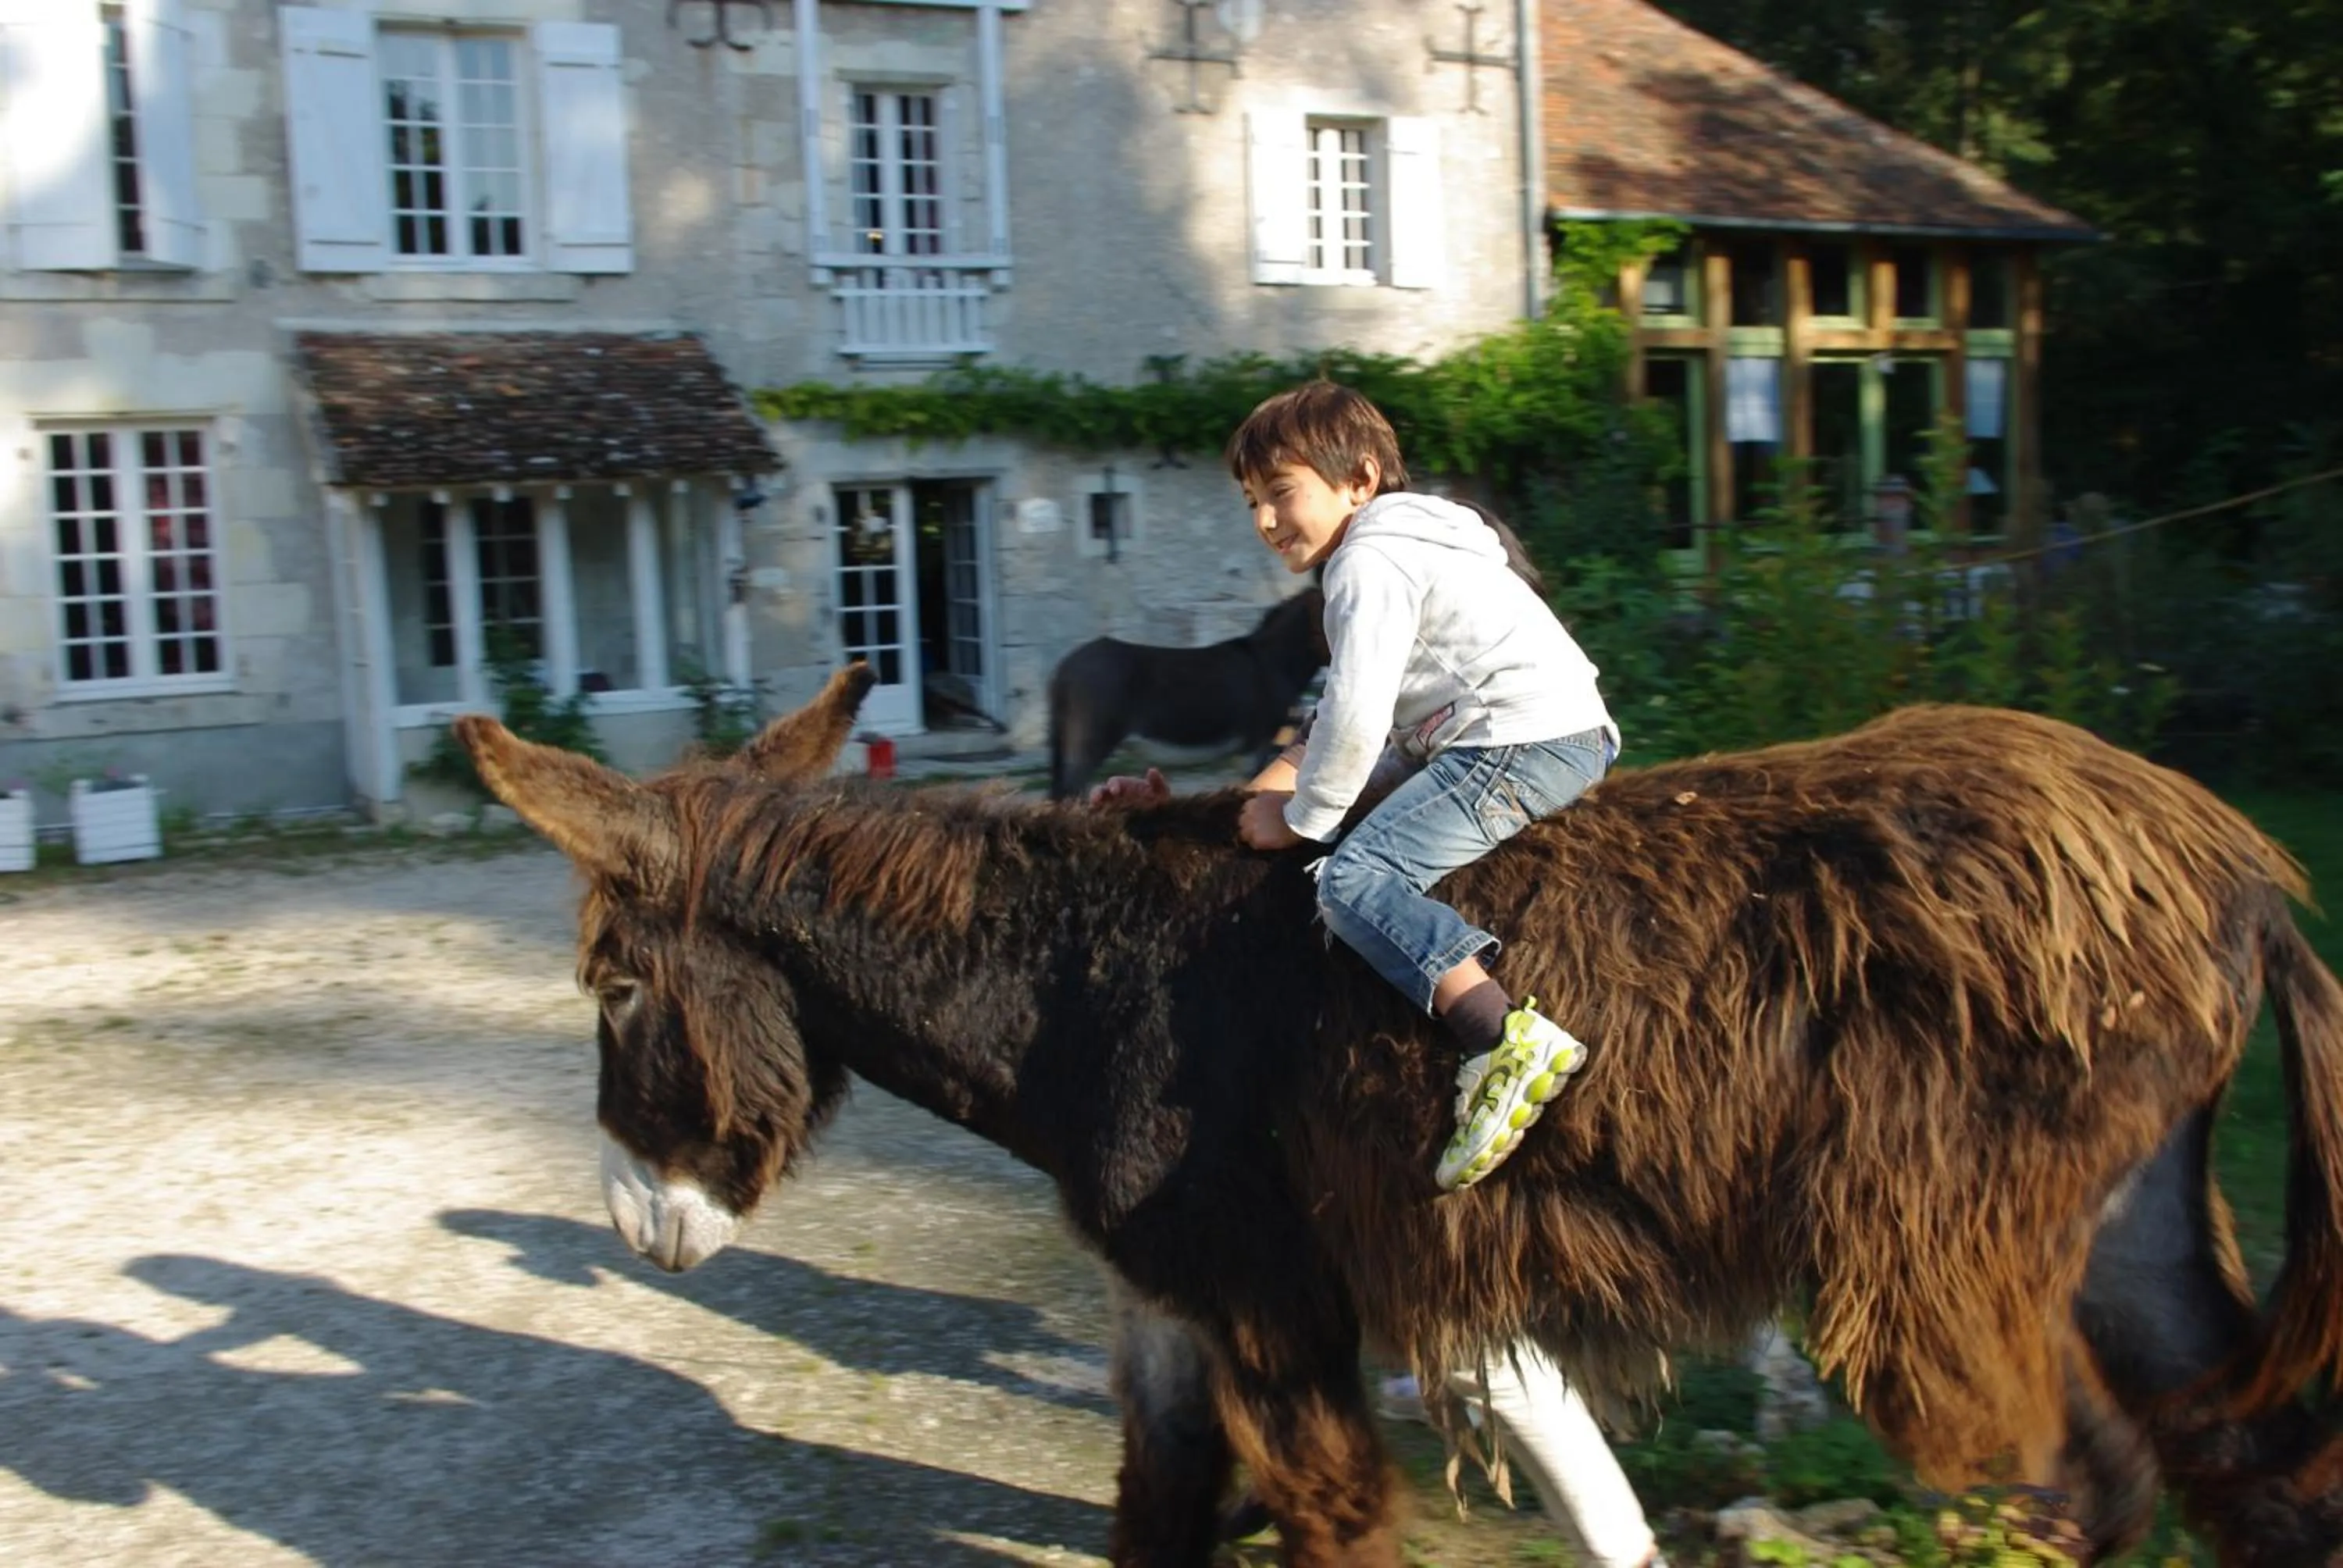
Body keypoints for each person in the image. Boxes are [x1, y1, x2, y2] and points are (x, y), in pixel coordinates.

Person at [1089, 502, 1663, 1568]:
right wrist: (1184, 816)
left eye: (1281, 498)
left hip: (1441, 1037)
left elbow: (1327, 787)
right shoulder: (1429, 667)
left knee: (1475, 1340)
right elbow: (1301, 780)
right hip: (1367, 1038)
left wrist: (1282, 817)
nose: (1267, 523)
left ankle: (1623, 1553)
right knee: (1380, 1318)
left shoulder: (1460, 685)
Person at [1227, 380, 1618, 1191]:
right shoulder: (1410, 544)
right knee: (1361, 816)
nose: (1265, 522)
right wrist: (1262, 798)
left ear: (1361, 480)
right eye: (1252, 502)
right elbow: (1351, 713)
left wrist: (1304, 821)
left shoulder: (1367, 561)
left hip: (1516, 737)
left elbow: (1358, 711)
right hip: (1517, 727)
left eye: (1281, 493)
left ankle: (1500, 1035)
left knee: (1357, 878)